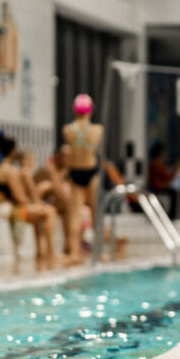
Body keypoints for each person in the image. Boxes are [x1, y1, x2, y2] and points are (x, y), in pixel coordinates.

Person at [0, 137, 59, 267]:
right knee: (50, 212)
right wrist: (37, 197)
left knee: (38, 213)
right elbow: (20, 198)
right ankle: (51, 252)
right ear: (12, 151)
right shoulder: (10, 170)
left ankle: (40, 252)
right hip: (5, 209)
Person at [61, 93, 103, 263]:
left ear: (74, 110)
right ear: (91, 110)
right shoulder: (97, 130)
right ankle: (98, 252)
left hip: (75, 171)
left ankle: (74, 254)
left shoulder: (67, 130)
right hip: (91, 171)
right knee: (95, 213)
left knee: (75, 214)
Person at [147, 141, 179, 218]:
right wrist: (176, 170)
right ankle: (172, 215)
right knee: (173, 193)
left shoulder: (157, 163)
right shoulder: (156, 163)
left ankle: (172, 214)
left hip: (159, 185)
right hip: (158, 186)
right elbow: (167, 175)